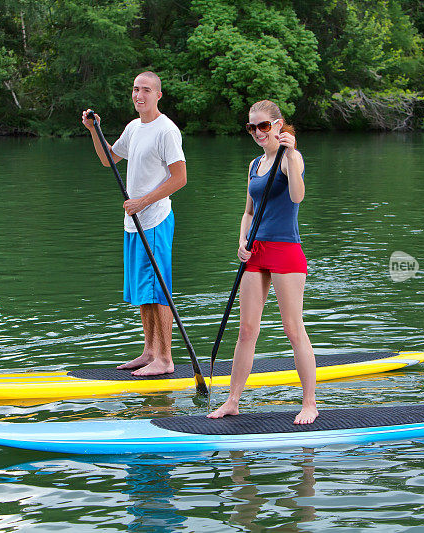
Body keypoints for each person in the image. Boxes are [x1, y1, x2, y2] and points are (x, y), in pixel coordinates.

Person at [208, 100, 317, 424]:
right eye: (251, 127)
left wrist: (291, 155)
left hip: (286, 249)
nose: (257, 132)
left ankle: (309, 403)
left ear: (278, 125)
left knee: (293, 329)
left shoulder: (290, 158)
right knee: (246, 330)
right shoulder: (255, 164)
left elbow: (297, 196)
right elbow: (249, 211)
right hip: (255, 252)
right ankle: (232, 401)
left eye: (264, 126)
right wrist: (241, 240)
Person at [81, 71, 186, 376]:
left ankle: (165, 359)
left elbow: (180, 178)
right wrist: (94, 131)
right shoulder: (133, 127)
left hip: (155, 219)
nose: (140, 95)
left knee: (158, 289)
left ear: (158, 95)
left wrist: (144, 201)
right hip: (133, 222)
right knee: (144, 290)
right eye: (136, 90)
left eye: (146, 90)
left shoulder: (166, 131)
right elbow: (109, 159)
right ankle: (150, 351)